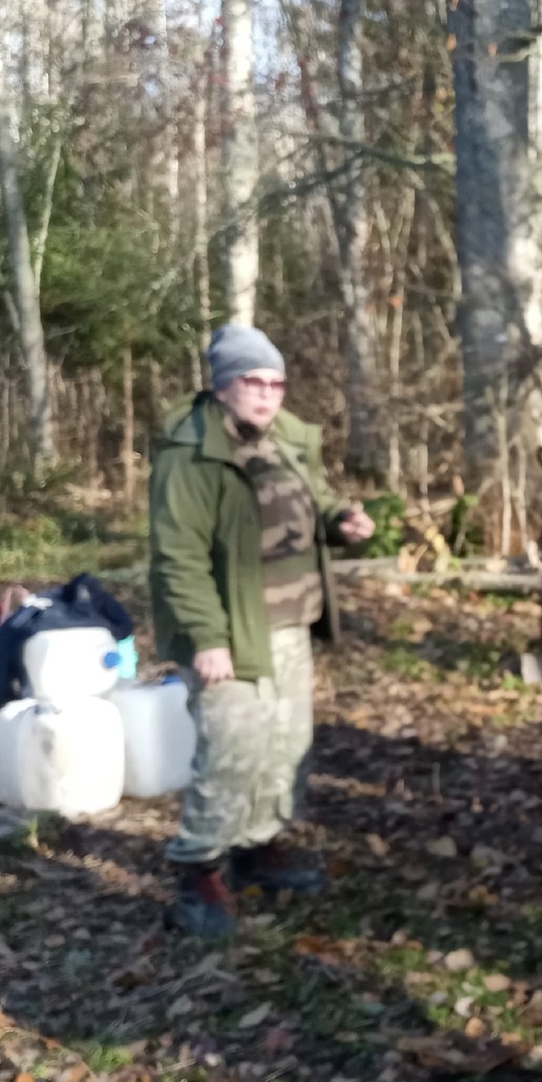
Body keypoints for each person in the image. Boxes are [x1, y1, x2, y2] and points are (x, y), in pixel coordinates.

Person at [150, 324, 376, 940]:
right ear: (222, 386)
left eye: (276, 382)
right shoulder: (190, 452)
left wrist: (339, 520)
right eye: (253, 381)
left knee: (286, 745)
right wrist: (206, 638)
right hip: (229, 630)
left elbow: (314, 500)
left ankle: (257, 849)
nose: (267, 393)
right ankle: (198, 871)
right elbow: (179, 556)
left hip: (290, 622)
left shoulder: (287, 440)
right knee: (231, 749)